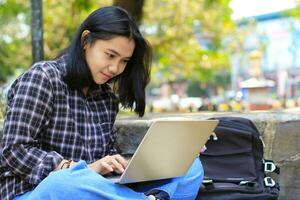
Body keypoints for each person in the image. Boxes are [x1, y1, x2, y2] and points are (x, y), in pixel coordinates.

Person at [0, 6, 204, 200]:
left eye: (124, 61)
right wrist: (77, 169)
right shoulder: (43, 77)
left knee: (190, 166)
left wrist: (120, 165)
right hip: (36, 191)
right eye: (110, 55)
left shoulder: (106, 98)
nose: (115, 68)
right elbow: (13, 150)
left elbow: (104, 161)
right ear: (86, 40)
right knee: (62, 183)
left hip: (94, 190)